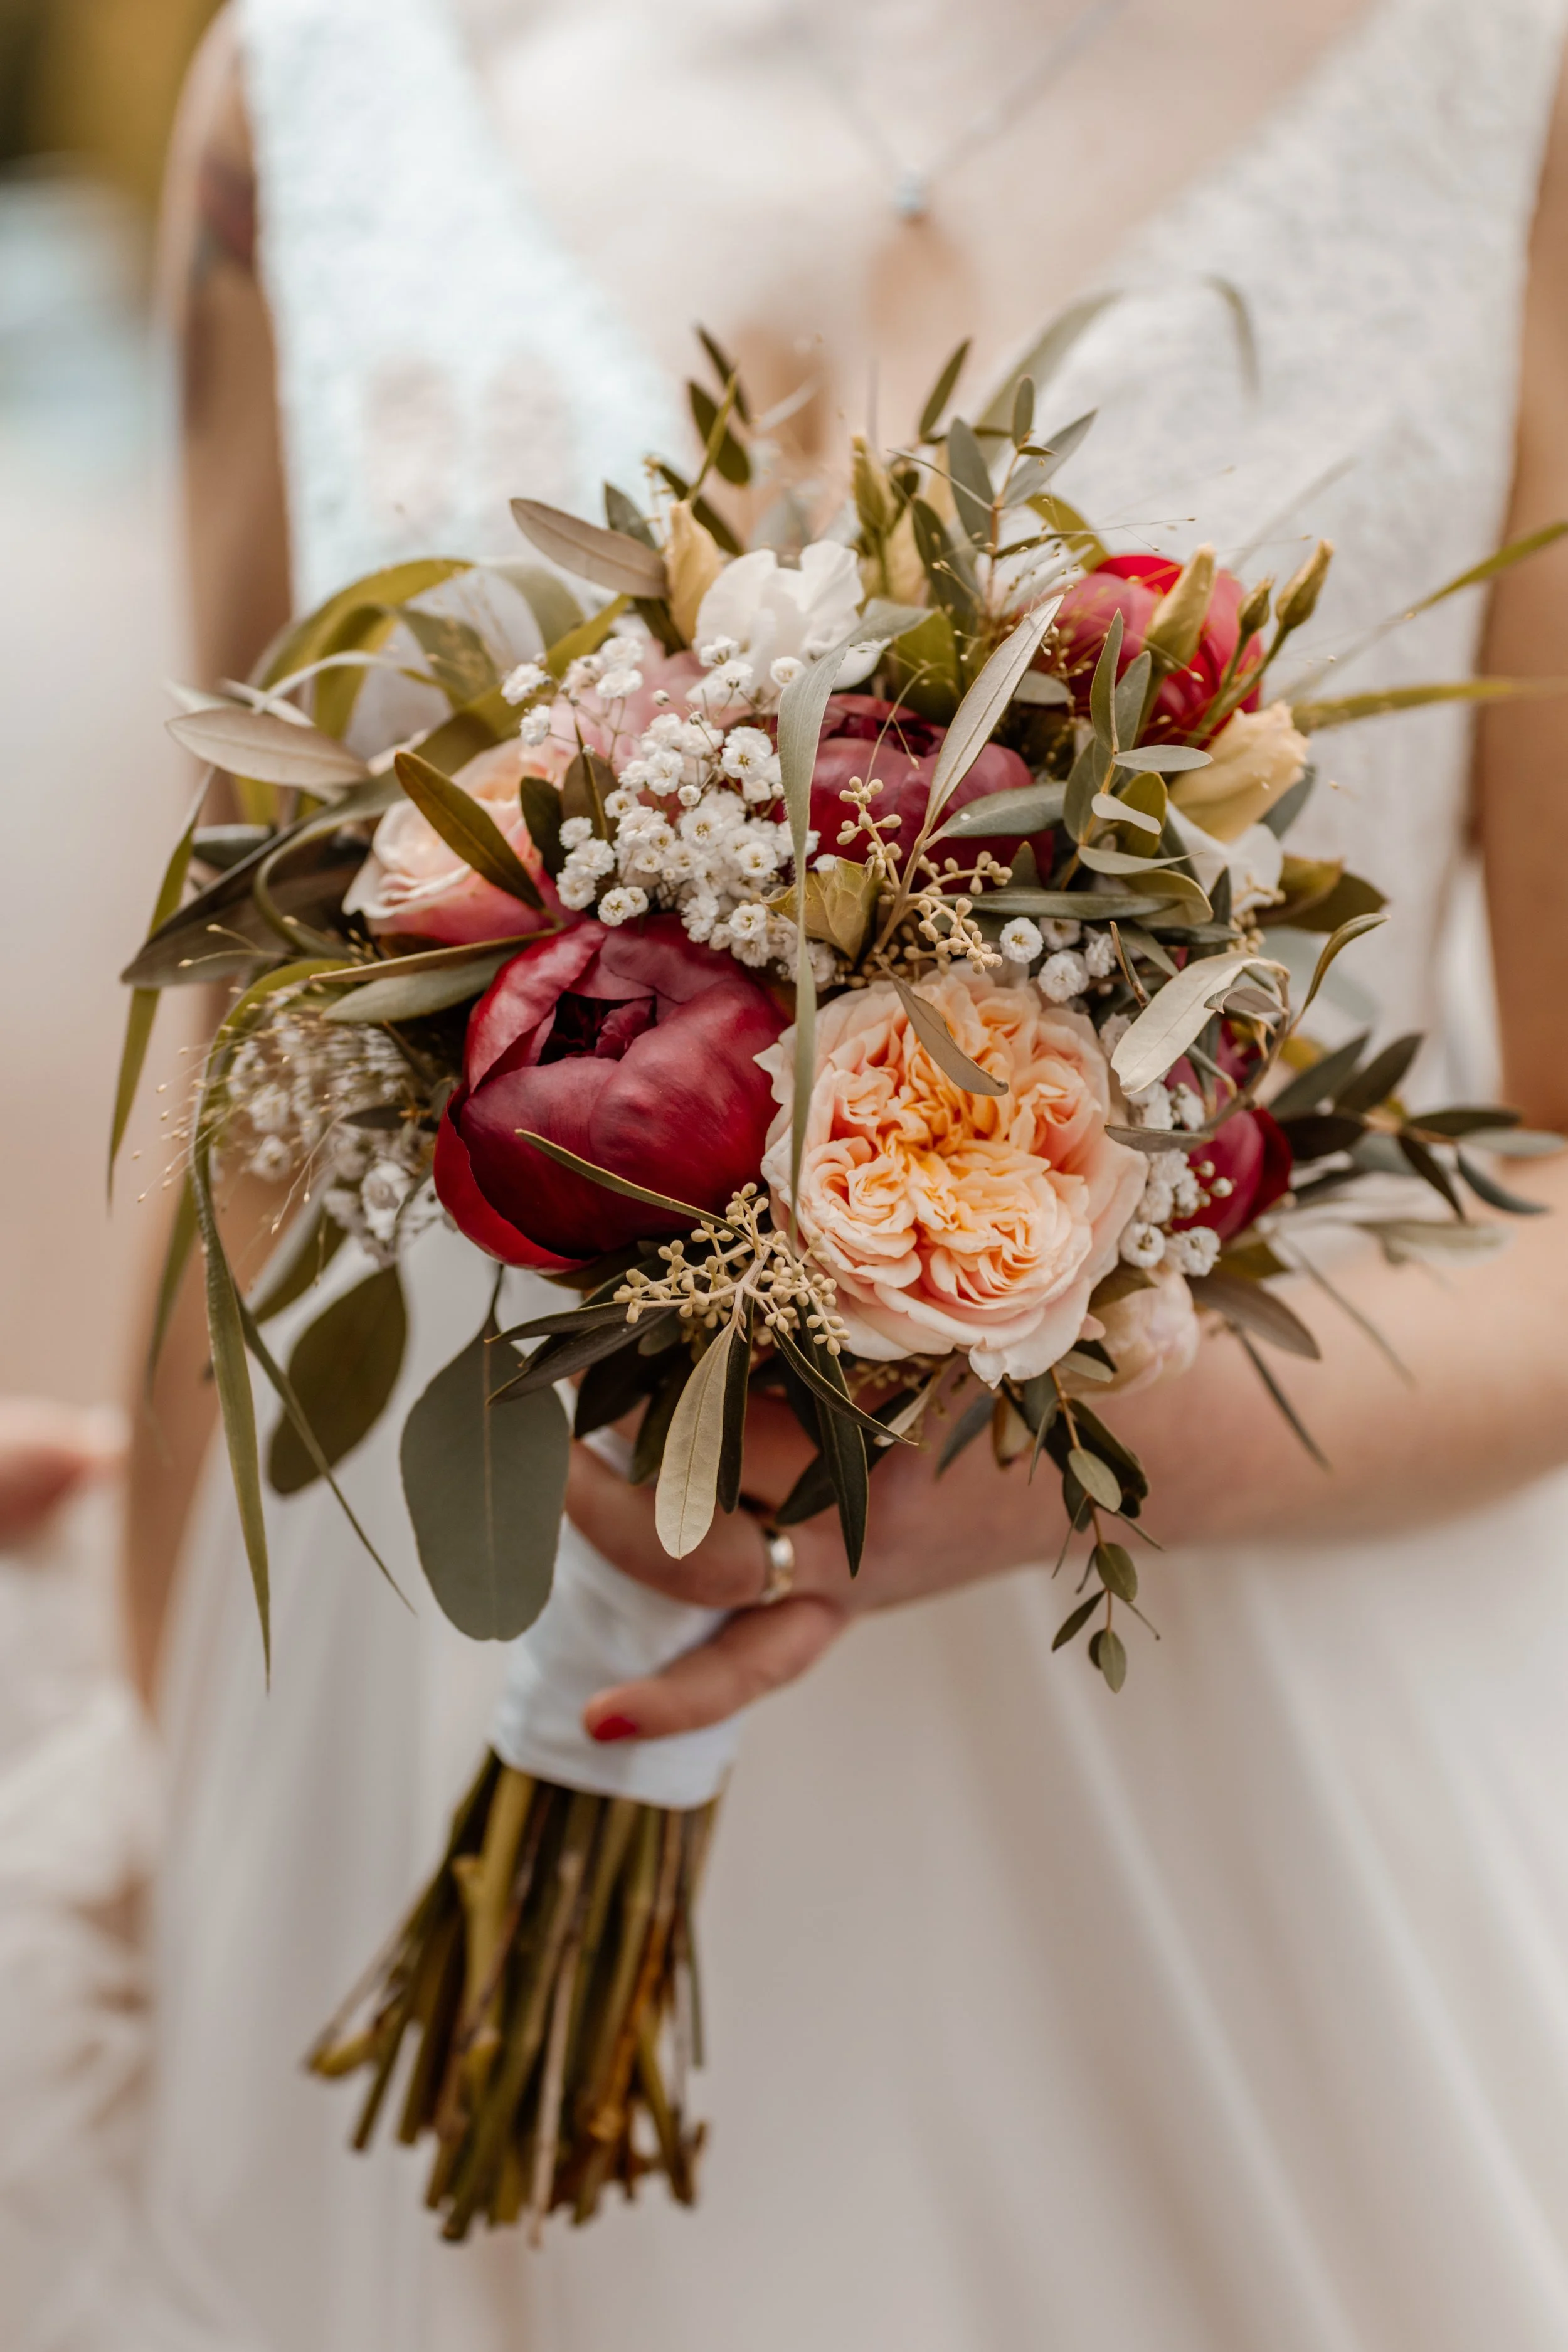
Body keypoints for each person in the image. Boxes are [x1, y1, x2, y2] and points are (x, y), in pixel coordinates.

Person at [110, 0, 1568, 2344]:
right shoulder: (307, 87)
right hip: (411, 1744)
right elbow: (240, 1104)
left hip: (1222, 1859)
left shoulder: (1512, 92)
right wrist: (165, 1754)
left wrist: (1091, 1435)